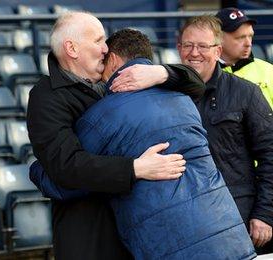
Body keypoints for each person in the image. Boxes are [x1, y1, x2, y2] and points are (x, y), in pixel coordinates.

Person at [38, 28, 255, 259]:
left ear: (112, 59)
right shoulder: (183, 99)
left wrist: (38, 171)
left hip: (171, 243)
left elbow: (64, 178)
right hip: (226, 232)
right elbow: (195, 83)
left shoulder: (106, 114)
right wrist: (162, 73)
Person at [27, 11, 206, 260]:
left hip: (133, 229)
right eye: (99, 40)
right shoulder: (46, 96)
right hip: (89, 237)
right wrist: (136, 168)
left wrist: (161, 73)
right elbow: (66, 166)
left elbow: (198, 85)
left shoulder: (115, 82)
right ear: (72, 48)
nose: (106, 49)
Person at [178, 15, 273, 252]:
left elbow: (270, 154)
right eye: (188, 45)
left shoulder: (245, 93)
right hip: (184, 220)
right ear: (178, 48)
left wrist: (265, 213)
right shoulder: (166, 94)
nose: (194, 52)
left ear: (218, 50)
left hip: (238, 218)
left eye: (202, 46)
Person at [215, 7, 273, 108]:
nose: (248, 43)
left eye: (250, 36)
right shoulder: (205, 74)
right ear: (219, 38)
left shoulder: (268, 70)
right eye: (240, 37)